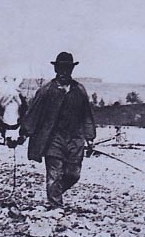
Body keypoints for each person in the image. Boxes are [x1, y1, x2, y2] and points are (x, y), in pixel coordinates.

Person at [19, 52, 96, 210]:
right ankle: (55, 206)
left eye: (67, 68)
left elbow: (86, 115)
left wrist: (90, 137)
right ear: (56, 69)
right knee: (54, 174)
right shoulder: (46, 90)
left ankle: (55, 193)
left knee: (73, 174)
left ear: (71, 70)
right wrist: (25, 131)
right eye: (60, 68)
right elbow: (34, 112)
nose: (64, 72)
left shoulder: (79, 90)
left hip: (75, 139)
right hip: (53, 138)